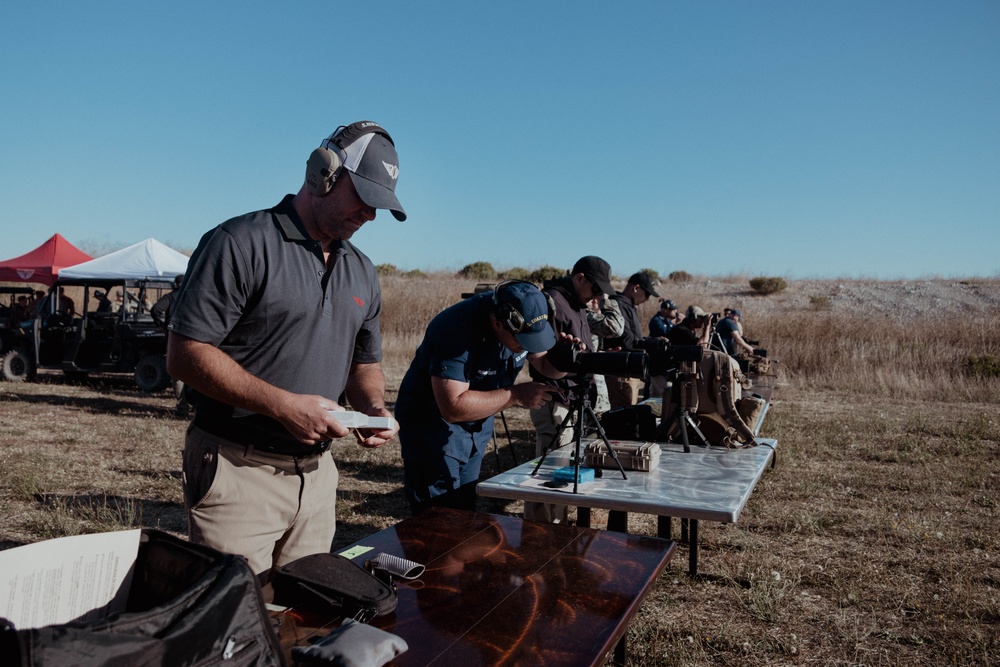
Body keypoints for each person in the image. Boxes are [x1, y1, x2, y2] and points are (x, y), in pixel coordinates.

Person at [166, 120, 405, 579]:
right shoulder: (240, 242)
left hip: (317, 478)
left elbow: (365, 363)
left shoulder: (363, 271)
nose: (370, 216)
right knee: (235, 628)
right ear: (324, 174)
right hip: (238, 470)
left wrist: (373, 407)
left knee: (305, 619)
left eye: (381, 207)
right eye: (365, 199)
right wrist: (282, 406)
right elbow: (186, 353)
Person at [397, 281, 569, 515]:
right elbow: (453, 407)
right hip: (432, 426)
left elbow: (544, 363)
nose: (527, 348)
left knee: (465, 511)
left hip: (477, 424)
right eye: (523, 342)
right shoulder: (454, 329)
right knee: (438, 518)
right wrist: (517, 394)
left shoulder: (523, 321)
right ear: (498, 324)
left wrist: (568, 360)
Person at [527, 255, 614, 524]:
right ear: (579, 278)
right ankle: (540, 534)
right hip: (557, 399)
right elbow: (541, 356)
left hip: (574, 399)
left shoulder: (577, 305)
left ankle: (558, 529)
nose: (597, 296)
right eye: (595, 288)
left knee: (565, 471)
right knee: (550, 472)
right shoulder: (553, 302)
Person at [605, 271, 659, 409]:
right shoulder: (619, 305)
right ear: (636, 288)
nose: (647, 299)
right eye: (647, 294)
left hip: (629, 371)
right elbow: (626, 340)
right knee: (623, 416)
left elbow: (634, 337)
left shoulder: (628, 306)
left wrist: (651, 340)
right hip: (622, 372)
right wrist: (649, 344)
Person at [151, 275, 189, 418]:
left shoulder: (170, 297)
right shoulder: (192, 297)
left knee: (178, 376)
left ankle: (182, 409)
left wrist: (162, 325)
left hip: (174, 339)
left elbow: (155, 309)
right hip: (194, 339)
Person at [586, 293, 625, 415]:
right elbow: (614, 327)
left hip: (596, 387)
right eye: (592, 297)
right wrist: (605, 300)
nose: (595, 302)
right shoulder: (584, 315)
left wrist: (602, 354)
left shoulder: (593, 316)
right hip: (586, 387)